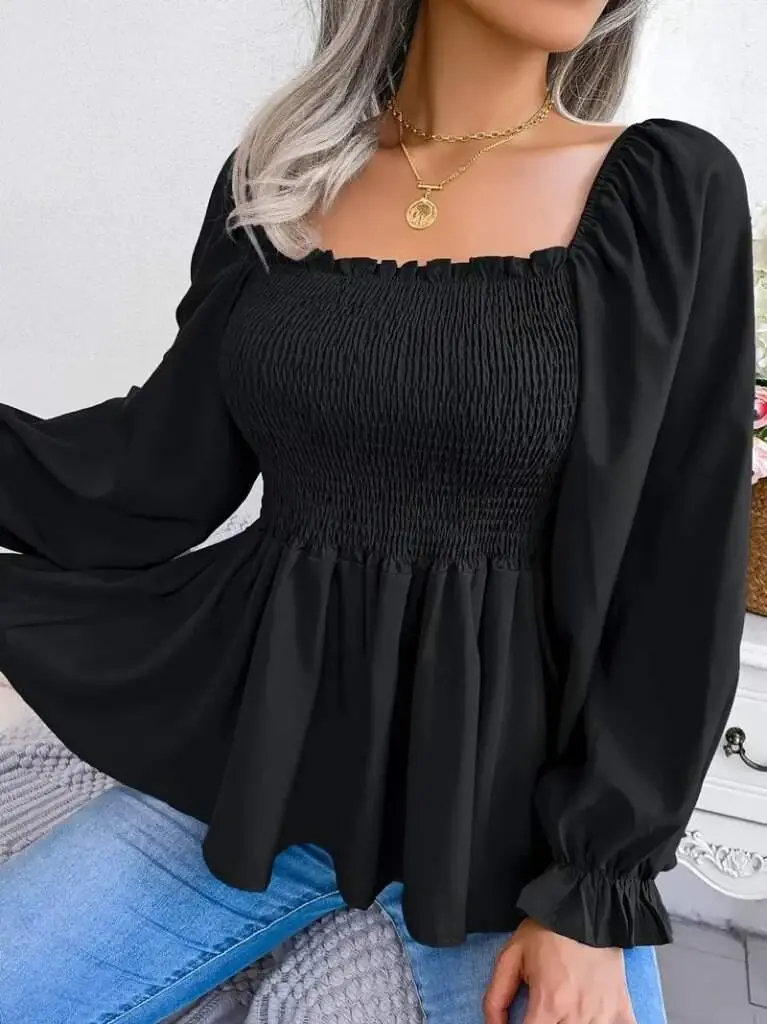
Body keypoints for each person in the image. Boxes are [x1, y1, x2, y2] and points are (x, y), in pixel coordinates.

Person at [0, 0, 755, 1021]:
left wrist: (588, 899)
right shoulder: (283, 179)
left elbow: (675, 572)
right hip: (254, 773)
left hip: (509, 839)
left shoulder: (663, 192)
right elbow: (148, 475)